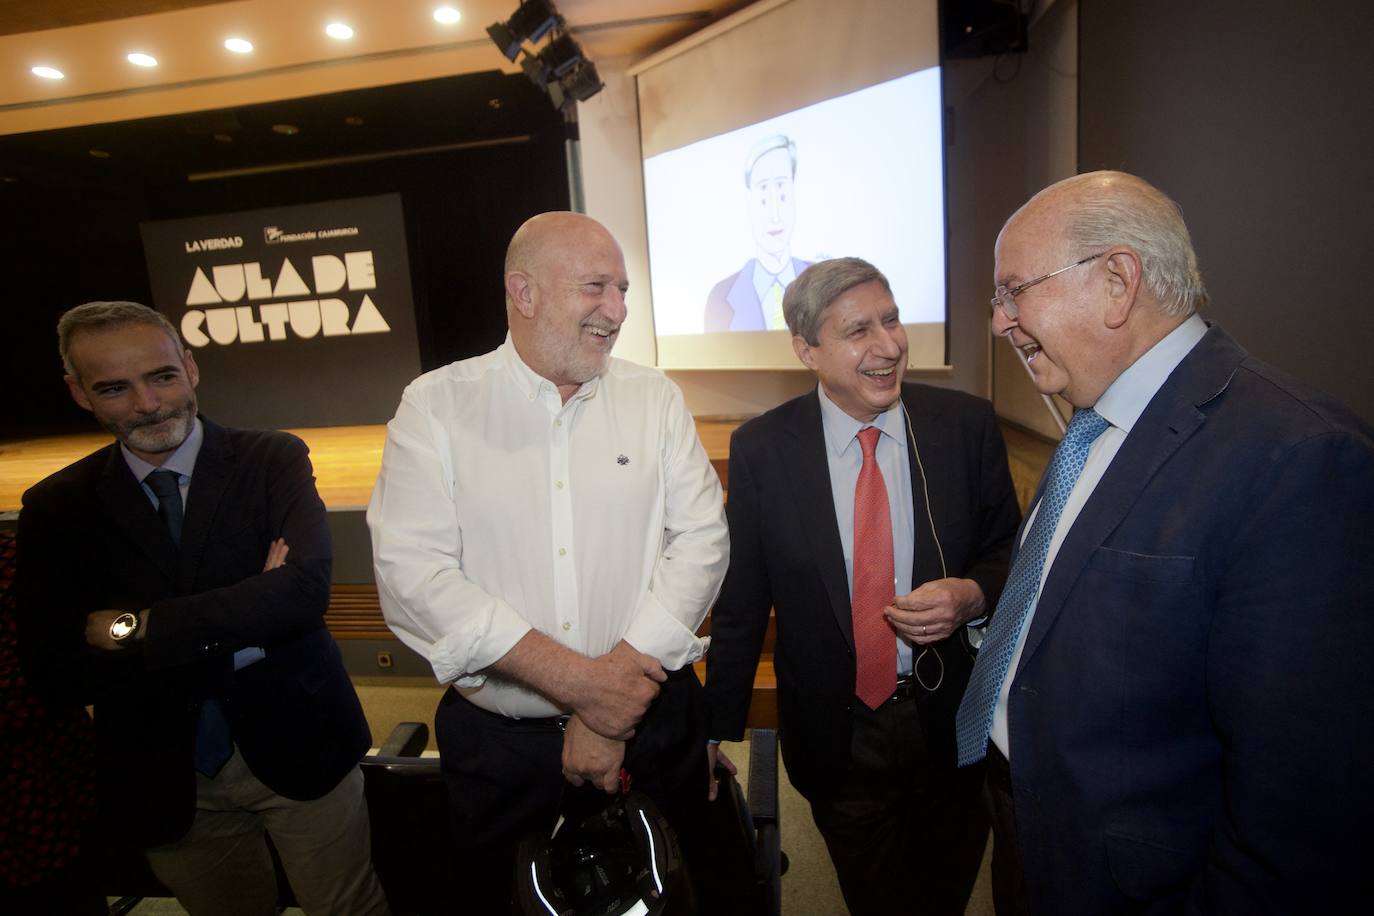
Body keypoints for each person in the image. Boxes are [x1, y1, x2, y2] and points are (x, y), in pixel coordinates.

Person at [955, 170, 1374, 914]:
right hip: (1037, 837)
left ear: (1118, 282)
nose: (999, 322)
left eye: (1014, 291)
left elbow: (1300, 811)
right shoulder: (1091, 423)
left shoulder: (1301, 457)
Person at [367, 212, 729, 912]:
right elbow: (415, 575)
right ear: (523, 292)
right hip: (501, 755)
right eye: (596, 287)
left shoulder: (653, 398)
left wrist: (608, 708)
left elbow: (702, 541)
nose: (617, 311)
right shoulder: (436, 406)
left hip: (653, 734)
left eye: (623, 290)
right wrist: (586, 687)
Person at [15, 301, 388, 916]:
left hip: (301, 741)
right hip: (162, 770)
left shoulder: (272, 459)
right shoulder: (55, 507)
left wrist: (133, 627)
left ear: (190, 367)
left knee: (348, 908)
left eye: (161, 376)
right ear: (79, 393)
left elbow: (301, 594)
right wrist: (251, 602)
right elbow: (54, 669)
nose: (148, 404)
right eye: (114, 388)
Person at [705, 257, 1021, 915]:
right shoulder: (765, 448)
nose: (888, 345)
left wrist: (972, 595)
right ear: (807, 350)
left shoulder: (964, 426)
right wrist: (716, 731)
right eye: (858, 331)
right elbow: (742, 603)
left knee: (944, 896)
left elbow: (1009, 553)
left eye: (892, 320)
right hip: (836, 737)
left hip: (952, 723)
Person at [704, 134, 812, 332]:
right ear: (749, 202)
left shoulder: (826, 284)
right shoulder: (721, 297)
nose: (775, 216)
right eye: (763, 198)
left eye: (782, 195)